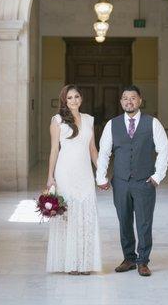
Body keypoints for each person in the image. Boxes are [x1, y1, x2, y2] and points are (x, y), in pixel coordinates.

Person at [96, 85, 168, 277]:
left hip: (144, 181)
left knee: (144, 223)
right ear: (121, 102)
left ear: (140, 101)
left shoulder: (152, 123)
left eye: (133, 98)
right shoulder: (112, 124)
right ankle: (129, 258)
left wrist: (157, 176)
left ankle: (143, 261)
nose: (129, 101)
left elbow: (163, 149)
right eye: (125, 98)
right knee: (124, 221)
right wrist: (101, 177)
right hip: (120, 182)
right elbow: (104, 152)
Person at [46, 84, 101, 275]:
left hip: (85, 173)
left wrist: (100, 172)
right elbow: (54, 149)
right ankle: (69, 263)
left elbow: (92, 149)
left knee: (86, 217)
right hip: (65, 172)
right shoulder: (57, 120)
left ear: (81, 98)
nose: (74, 100)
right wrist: (50, 177)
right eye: (69, 98)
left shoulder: (88, 120)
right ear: (64, 100)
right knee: (68, 217)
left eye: (77, 96)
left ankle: (85, 263)